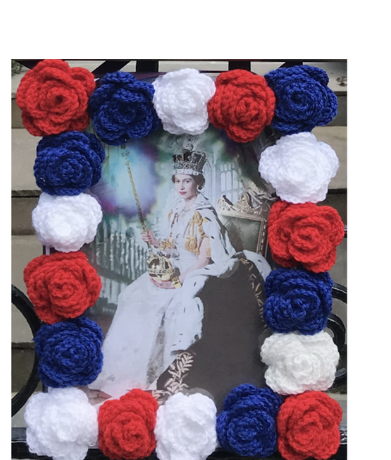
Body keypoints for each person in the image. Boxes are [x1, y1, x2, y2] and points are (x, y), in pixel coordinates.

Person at [90, 144, 270, 400]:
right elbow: (172, 246)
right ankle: (126, 374)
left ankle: (160, 376)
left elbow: (203, 258)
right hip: (176, 267)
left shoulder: (204, 214)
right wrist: (154, 241)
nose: (182, 186)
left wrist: (176, 280)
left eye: (188, 180)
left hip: (197, 270)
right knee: (132, 294)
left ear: (198, 183)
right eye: (178, 181)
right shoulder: (177, 209)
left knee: (170, 306)